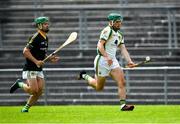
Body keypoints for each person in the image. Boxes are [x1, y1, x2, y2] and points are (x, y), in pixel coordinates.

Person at [78, 13, 136, 111]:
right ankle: (84, 76)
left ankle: (123, 105)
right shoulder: (107, 31)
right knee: (98, 87)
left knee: (122, 82)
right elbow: (100, 46)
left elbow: (123, 49)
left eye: (120, 22)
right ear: (111, 22)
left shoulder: (120, 35)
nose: (119, 24)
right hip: (102, 61)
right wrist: (107, 57)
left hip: (113, 61)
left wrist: (129, 61)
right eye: (117, 22)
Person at [10, 16, 60, 112]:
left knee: (40, 91)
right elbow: (25, 51)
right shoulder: (35, 37)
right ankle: (19, 84)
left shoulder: (46, 38)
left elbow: (42, 53)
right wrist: (36, 61)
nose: (47, 25)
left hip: (39, 68)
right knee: (33, 90)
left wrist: (50, 58)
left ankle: (26, 108)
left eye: (47, 23)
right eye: (45, 24)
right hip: (30, 67)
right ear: (39, 25)